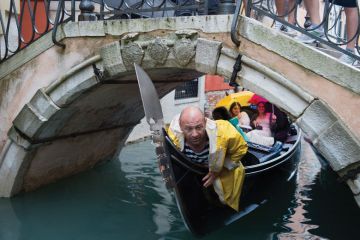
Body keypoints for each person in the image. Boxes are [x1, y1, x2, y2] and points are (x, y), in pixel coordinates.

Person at [167, 106, 248, 211]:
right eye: (189, 129)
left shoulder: (224, 132)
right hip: (194, 170)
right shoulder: (173, 137)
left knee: (225, 200)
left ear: (205, 122)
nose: (195, 134)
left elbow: (241, 148)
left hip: (223, 172)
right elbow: (165, 153)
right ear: (180, 126)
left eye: (199, 127)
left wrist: (219, 168)